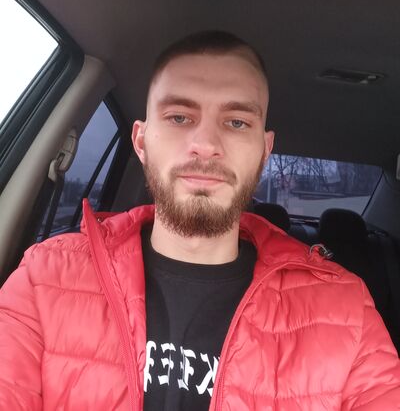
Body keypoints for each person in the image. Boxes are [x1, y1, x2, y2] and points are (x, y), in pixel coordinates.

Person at [0, 31, 399, 410]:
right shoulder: (44, 278)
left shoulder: (346, 312)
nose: (206, 145)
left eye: (237, 122)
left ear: (264, 151)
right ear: (141, 142)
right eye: (178, 117)